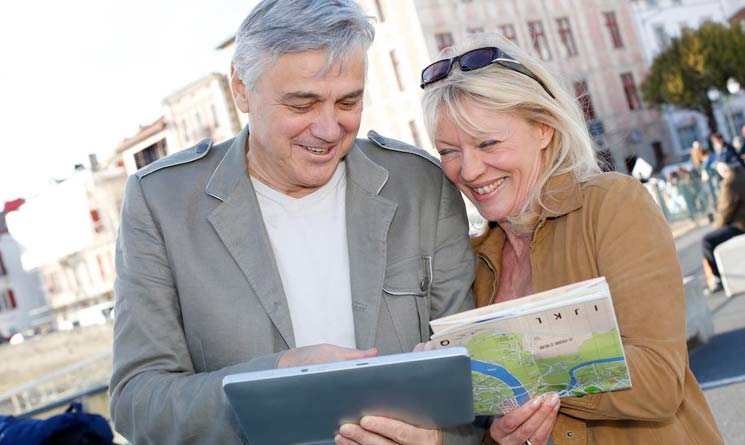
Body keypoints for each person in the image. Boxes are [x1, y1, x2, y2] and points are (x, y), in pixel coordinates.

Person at [110, 1, 482, 444]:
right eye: (302, 103)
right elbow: (138, 402)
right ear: (241, 89)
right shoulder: (159, 203)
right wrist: (278, 378)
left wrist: (440, 442)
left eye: (348, 101)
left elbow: (476, 378)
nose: (328, 129)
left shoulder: (421, 185)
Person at [419, 33, 723, 445]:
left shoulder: (612, 205)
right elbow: (505, 421)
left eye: (488, 142)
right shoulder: (474, 259)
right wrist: (501, 435)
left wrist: (485, 366)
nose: (469, 170)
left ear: (543, 128)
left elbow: (658, 380)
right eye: (449, 151)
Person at [701, 161, 745, 293]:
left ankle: (717, 278)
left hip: (741, 225)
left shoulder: (730, 183)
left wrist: (717, 227)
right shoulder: (742, 174)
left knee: (707, 240)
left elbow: (725, 211)